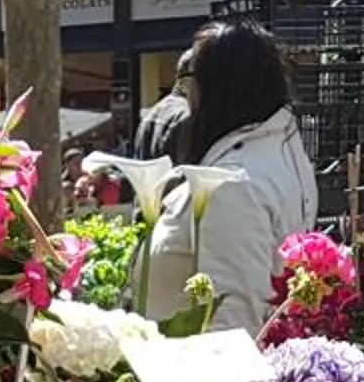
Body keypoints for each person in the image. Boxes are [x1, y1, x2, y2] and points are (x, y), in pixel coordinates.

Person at [134, 17, 319, 334]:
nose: (184, 93)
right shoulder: (279, 153)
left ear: (217, 86)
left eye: (190, 78)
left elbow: (231, 323)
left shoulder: (232, 184)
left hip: (192, 375)